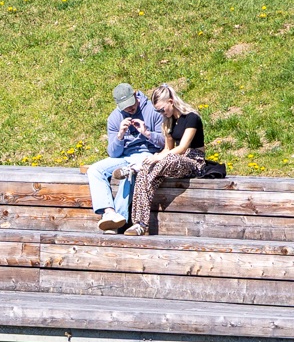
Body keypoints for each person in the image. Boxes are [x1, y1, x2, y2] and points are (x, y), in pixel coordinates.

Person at [122, 84, 206, 237]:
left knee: (167, 159)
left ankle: (136, 171)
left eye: (162, 109)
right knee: (146, 169)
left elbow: (182, 148)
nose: (161, 113)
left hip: (194, 160)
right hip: (173, 160)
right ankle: (139, 223)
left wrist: (160, 157)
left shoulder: (192, 118)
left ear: (171, 102)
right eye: (158, 111)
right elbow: (168, 148)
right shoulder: (168, 121)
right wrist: (153, 159)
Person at [83, 82, 165, 233]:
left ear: (135, 95)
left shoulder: (153, 111)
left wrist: (147, 133)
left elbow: (165, 143)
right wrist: (120, 135)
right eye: (125, 107)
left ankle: (117, 223)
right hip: (124, 157)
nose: (130, 109)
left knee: (129, 172)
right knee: (95, 170)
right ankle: (109, 213)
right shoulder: (114, 118)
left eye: (131, 104)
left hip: (147, 154)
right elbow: (113, 153)